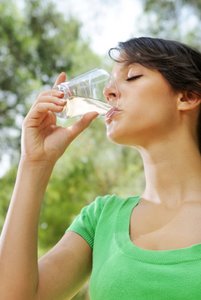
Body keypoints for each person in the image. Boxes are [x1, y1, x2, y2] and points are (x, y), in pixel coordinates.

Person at [0, 37, 201, 300]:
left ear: (187, 96)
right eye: (110, 83)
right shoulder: (100, 219)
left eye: (132, 76)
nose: (108, 91)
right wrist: (35, 163)